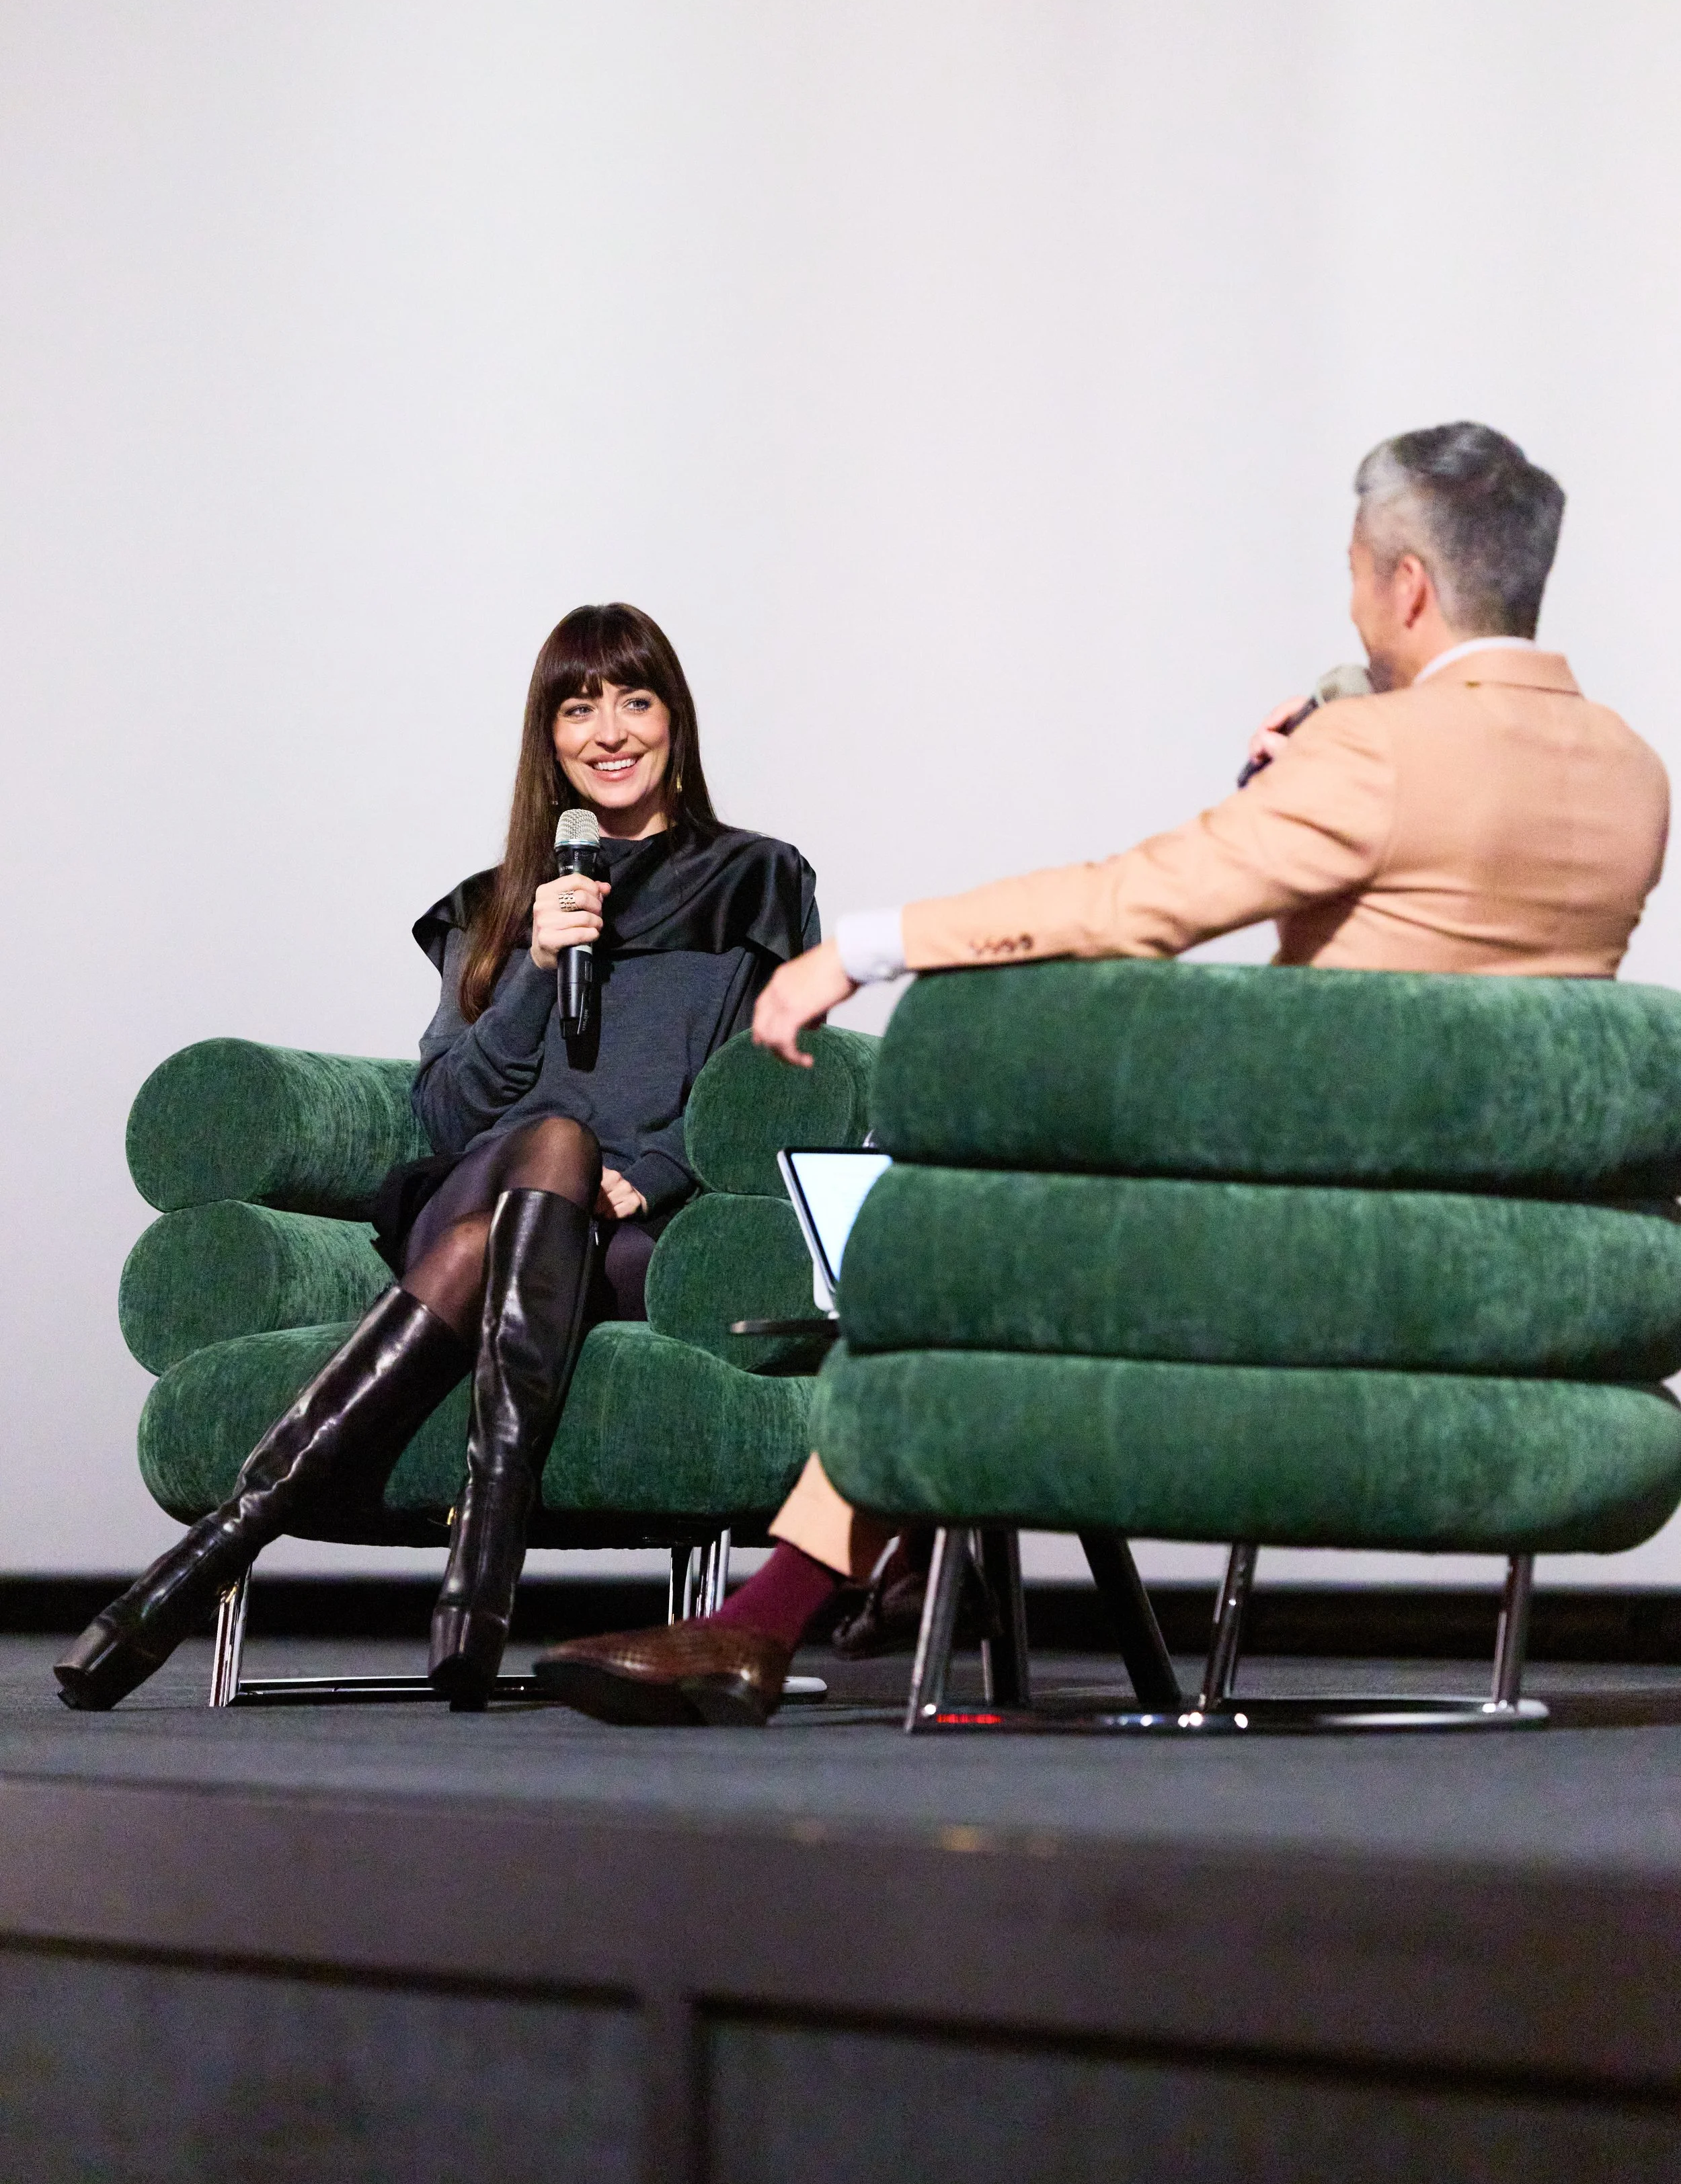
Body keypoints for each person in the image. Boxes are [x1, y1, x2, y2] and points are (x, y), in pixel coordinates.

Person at [532, 421, 1671, 1727]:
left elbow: (1137, 902)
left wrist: (857, 946)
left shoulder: (1370, 754)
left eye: (1357, 573)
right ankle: (814, 1599)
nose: (1353, 602)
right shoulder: (1626, 770)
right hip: (1500, 1274)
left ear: (1404, 584)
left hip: (1306, 1264)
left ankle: (760, 1622)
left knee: (929, 1268)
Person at [57, 602, 818, 1711]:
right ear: (547, 735)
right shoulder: (496, 903)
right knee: (544, 1146)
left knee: (507, 1227)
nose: (609, 730)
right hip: (487, 1178)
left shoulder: (754, 879)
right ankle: (484, 1567)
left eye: (634, 699)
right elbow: (451, 1110)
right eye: (578, 705)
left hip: (630, 1232)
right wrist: (529, 967)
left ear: (675, 720)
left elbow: (759, 1080)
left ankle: (223, 1541)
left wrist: (650, 1174)